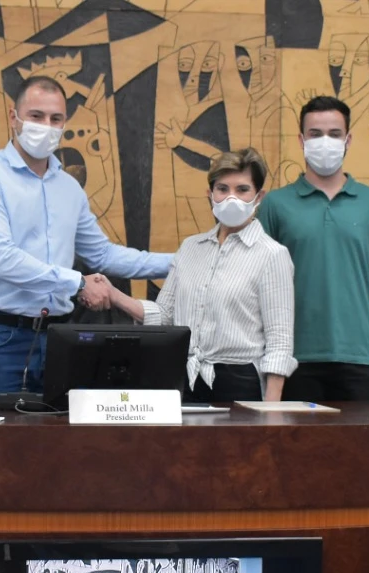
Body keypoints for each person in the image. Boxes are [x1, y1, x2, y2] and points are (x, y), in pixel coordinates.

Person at [0, 75, 173, 395]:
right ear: (13, 117)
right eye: (36, 116)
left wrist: (180, 262)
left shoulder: (69, 188)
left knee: (58, 425)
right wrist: (79, 283)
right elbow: (0, 258)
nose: (46, 126)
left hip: (59, 337)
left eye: (55, 119)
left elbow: (102, 254)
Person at [108, 148, 296, 402]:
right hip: (185, 377)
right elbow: (164, 316)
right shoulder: (190, 248)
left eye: (242, 189)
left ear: (258, 196)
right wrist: (114, 295)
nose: (231, 198)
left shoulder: (272, 255)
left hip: (240, 381)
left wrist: (271, 411)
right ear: (210, 195)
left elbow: (279, 341)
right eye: (222, 189)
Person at [259, 96, 369, 402]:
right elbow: (258, 281)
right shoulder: (275, 204)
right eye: (315, 134)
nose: (325, 142)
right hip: (292, 356)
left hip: (361, 355)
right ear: (301, 140)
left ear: (348, 140)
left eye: (334, 134)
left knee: (363, 435)